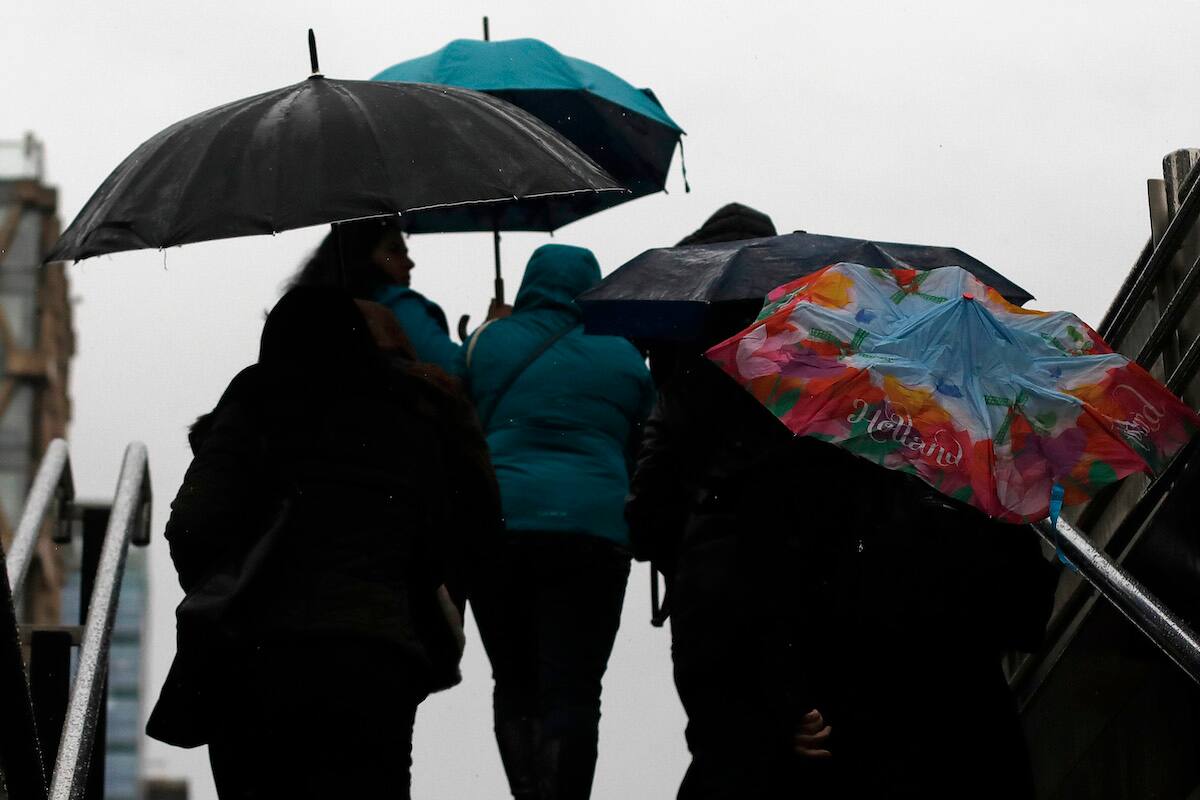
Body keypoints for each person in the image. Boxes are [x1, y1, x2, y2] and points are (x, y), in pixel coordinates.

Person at [627, 204, 1057, 798]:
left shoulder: (695, 382)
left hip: (738, 616)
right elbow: (1023, 607)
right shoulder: (897, 404)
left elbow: (653, 519)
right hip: (919, 673)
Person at [146, 287, 501, 799]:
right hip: (376, 658)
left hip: (257, 657)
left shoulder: (257, 399)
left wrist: (227, 573)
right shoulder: (415, 411)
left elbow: (192, 524)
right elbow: (464, 531)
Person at [459, 244, 655, 800]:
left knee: (514, 684)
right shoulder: (623, 353)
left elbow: (458, 417)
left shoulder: (486, 345)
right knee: (575, 687)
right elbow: (643, 442)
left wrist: (492, 333)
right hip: (592, 533)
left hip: (501, 527)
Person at [290, 217, 463, 373]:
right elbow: (456, 368)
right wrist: (485, 336)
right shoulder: (396, 304)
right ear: (360, 256)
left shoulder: (302, 319)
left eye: (406, 252)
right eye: (394, 250)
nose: (410, 263)